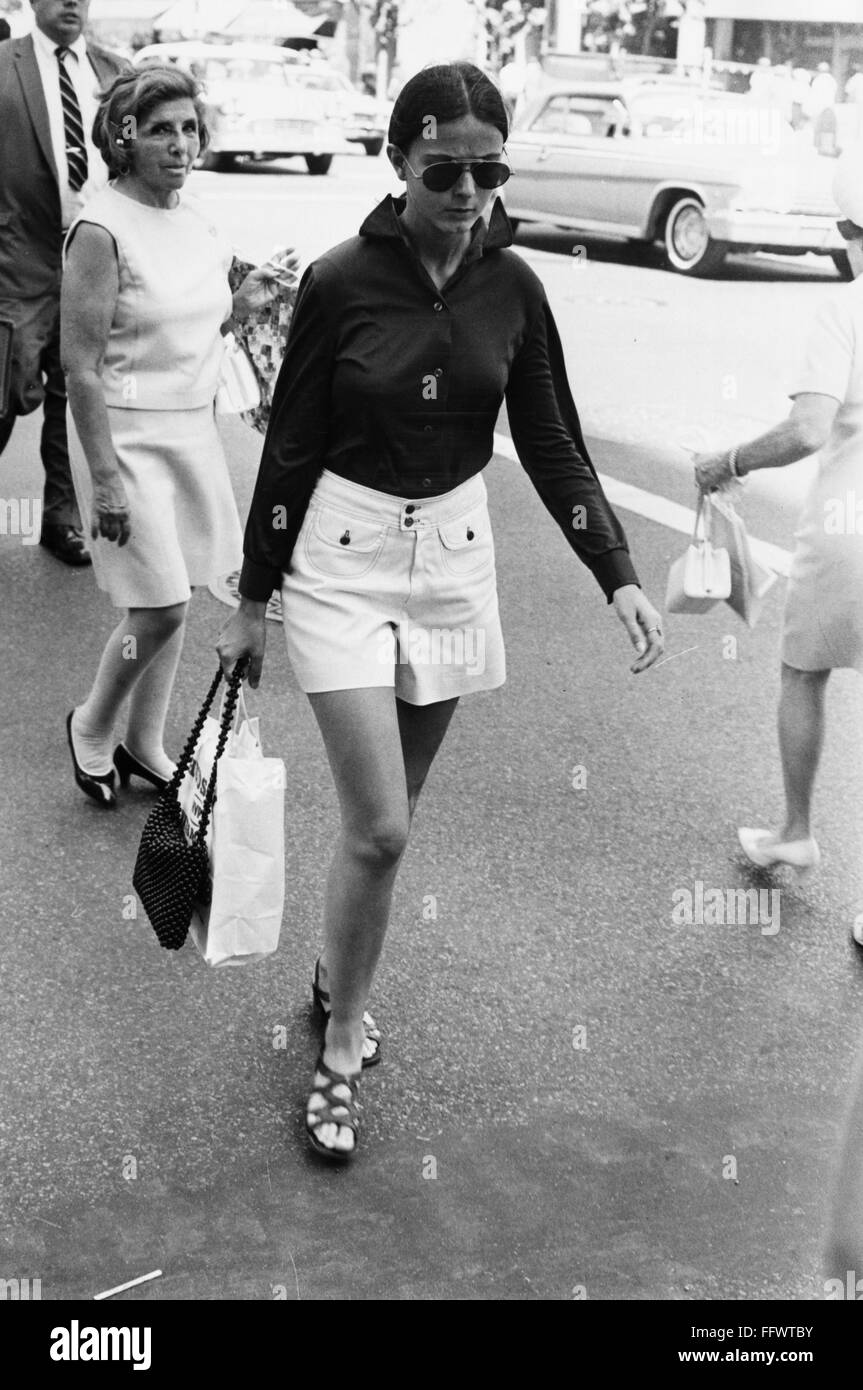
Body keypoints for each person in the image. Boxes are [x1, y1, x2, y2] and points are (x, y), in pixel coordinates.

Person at [217, 62, 665, 1162]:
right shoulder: (337, 281)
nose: (468, 190)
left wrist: (615, 571)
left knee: (387, 828)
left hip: (454, 560)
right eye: (444, 169)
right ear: (398, 162)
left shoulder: (515, 287)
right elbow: (293, 444)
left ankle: (336, 973)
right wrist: (252, 598)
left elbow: (551, 436)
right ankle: (338, 1049)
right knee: (378, 826)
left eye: (487, 168)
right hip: (340, 555)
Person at [61, 64, 291, 808]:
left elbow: (185, 328)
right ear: (123, 138)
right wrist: (104, 477)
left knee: (177, 594)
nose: (180, 142)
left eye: (190, 128)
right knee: (158, 605)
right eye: (160, 129)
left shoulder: (197, 222)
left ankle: (144, 742)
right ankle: (93, 727)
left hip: (190, 430)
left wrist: (238, 307)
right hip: (123, 435)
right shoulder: (100, 229)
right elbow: (82, 366)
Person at [693, 146, 863, 894]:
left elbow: (808, 429)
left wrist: (727, 461)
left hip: (846, 531)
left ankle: (794, 832)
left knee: (803, 672)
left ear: (846, 227)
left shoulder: (844, 307)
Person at [0, 0, 128, 566]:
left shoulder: (114, 71)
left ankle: (61, 518)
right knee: (5, 389)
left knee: (74, 386)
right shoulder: (5, 63)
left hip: (92, 262)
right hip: (16, 260)